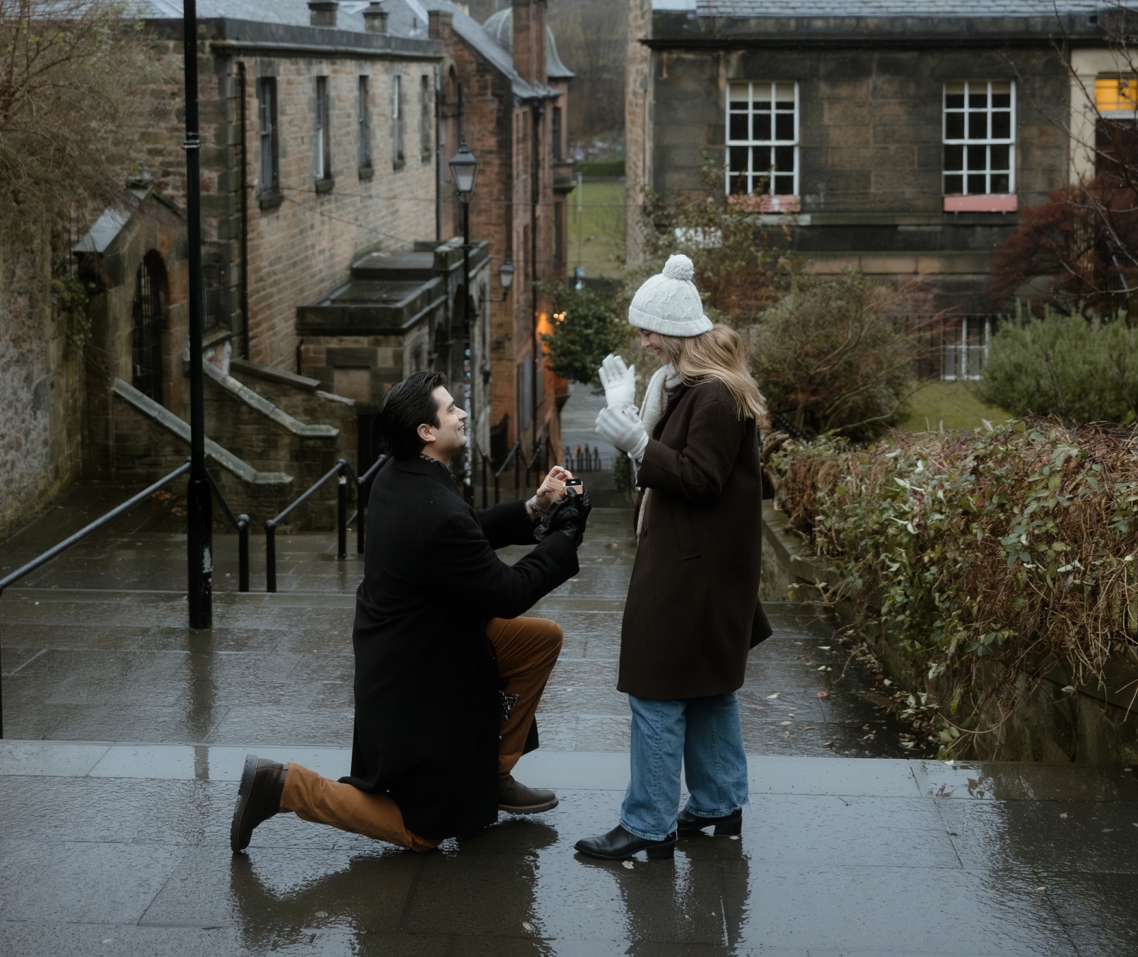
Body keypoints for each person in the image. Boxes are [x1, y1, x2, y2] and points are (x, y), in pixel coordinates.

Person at [231, 370, 588, 855]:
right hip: (418, 681)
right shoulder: (433, 505)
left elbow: (465, 529)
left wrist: (535, 507)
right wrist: (564, 539)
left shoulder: (399, 476)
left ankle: (492, 774)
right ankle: (284, 786)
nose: (462, 413)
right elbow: (505, 591)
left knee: (538, 640)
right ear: (426, 432)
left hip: (412, 648)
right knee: (423, 832)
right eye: (450, 409)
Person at [580, 253, 771, 861]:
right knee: (709, 688)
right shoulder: (695, 387)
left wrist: (637, 441)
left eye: (648, 330)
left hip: (691, 574)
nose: (642, 341)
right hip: (706, 568)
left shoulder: (713, 395)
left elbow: (701, 479)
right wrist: (637, 414)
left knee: (657, 693)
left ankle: (648, 823)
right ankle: (719, 805)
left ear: (675, 331)